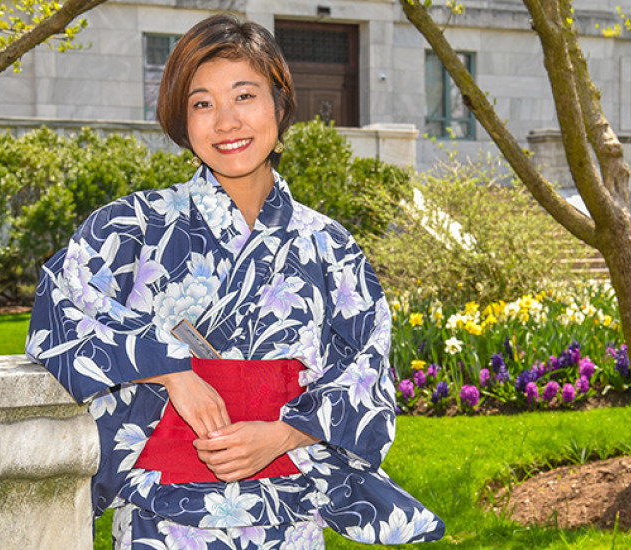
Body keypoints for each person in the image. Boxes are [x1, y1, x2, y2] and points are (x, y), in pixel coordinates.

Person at [26, 13, 444, 549]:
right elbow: (57, 313)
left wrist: (284, 433)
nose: (226, 121)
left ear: (279, 103)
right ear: (182, 117)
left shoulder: (329, 244)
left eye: (244, 96)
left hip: (288, 511)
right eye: (202, 103)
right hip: (165, 516)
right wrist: (172, 373)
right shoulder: (132, 226)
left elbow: (368, 363)